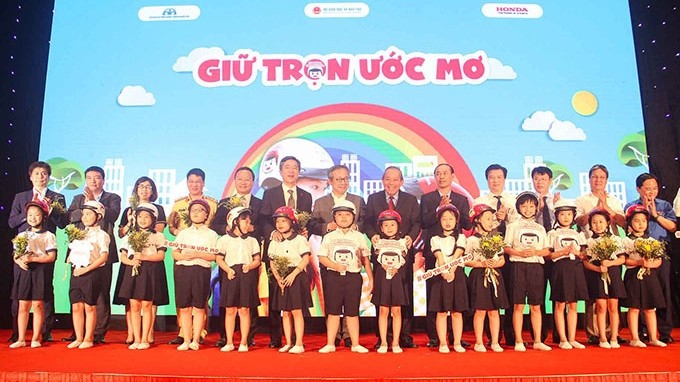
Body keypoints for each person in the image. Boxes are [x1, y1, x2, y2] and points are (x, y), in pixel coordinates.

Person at [8, 161, 68, 343]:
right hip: (23, 252)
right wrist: (31, 211)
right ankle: (18, 333)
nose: (41, 177)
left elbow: (63, 223)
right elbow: (11, 222)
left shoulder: (57, 197)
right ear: (30, 176)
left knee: (45, 292)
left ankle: (44, 331)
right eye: (37, 173)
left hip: (45, 250)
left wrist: (49, 211)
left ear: (48, 177)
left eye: (44, 174)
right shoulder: (21, 197)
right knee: (20, 294)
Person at [308, 164, 366, 347]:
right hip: (330, 259)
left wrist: (357, 227)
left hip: (352, 260)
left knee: (351, 300)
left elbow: (365, 221)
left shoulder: (358, 200)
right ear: (330, 181)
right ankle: (332, 338)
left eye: (346, 178)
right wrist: (327, 227)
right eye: (339, 179)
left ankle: (349, 335)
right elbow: (312, 225)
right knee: (332, 299)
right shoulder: (320, 202)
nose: (343, 182)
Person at [364, 166, 421, 349]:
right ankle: (382, 338)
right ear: (383, 180)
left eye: (395, 180)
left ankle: (403, 336)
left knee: (403, 297)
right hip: (381, 256)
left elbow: (417, 223)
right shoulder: (373, 199)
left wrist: (410, 239)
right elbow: (367, 222)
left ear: (401, 182)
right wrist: (372, 235)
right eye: (388, 179)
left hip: (403, 256)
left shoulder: (411, 200)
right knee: (382, 298)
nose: (391, 183)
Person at [260, 156, 313, 348]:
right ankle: (277, 338)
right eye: (287, 167)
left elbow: (309, 222)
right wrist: (273, 232)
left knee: (296, 298)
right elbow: (263, 219)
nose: (291, 171)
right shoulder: (270, 194)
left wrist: (308, 231)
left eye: (295, 168)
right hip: (276, 248)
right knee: (277, 293)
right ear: (281, 171)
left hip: (297, 252)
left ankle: (297, 340)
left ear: (299, 171)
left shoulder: (306, 196)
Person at [66, 166, 121, 344]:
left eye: (97, 178)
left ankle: (98, 332)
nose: (93, 181)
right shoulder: (77, 198)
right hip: (80, 254)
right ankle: (78, 333)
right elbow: (70, 217)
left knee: (101, 293)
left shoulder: (112, 198)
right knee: (78, 295)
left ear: (103, 180)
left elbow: (112, 216)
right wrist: (85, 207)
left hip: (101, 252)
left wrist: (95, 204)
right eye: (89, 178)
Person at [420, 163, 471, 347]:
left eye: (445, 173)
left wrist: (454, 214)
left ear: (452, 176)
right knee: (435, 297)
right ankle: (435, 337)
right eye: (438, 174)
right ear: (434, 177)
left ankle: (456, 338)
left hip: (456, 252)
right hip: (435, 254)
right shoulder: (427, 198)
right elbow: (423, 223)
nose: (441, 176)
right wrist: (437, 211)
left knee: (456, 296)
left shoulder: (461, 199)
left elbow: (467, 224)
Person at [211, 167, 262, 348]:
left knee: (248, 302)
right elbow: (215, 224)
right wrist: (227, 230)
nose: (243, 182)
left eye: (247, 179)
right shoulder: (224, 203)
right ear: (235, 181)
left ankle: (248, 337)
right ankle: (226, 337)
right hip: (230, 262)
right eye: (240, 179)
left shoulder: (259, 203)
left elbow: (263, 226)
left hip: (249, 259)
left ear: (253, 182)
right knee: (228, 302)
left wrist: (253, 230)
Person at [575, 164, 625, 345]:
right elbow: (578, 221)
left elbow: (623, 222)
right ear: (589, 179)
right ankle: (594, 333)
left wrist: (607, 208)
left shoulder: (614, 199)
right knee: (594, 295)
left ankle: (613, 333)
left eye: (602, 177)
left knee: (613, 297)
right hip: (591, 248)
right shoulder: (582, 200)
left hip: (612, 252)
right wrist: (595, 210)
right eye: (595, 177)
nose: (598, 180)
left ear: (607, 180)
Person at [115, 176, 168, 345]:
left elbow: (157, 231)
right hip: (132, 261)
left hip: (151, 261)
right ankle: (133, 334)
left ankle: (148, 333)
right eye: (141, 186)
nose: (144, 189)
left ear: (153, 190)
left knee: (149, 299)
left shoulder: (158, 208)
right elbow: (121, 234)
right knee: (131, 300)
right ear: (136, 189)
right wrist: (131, 223)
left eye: (148, 187)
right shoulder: (129, 210)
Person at [624, 173, 676, 343]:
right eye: (647, 188)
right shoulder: (631, 206)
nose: (651, 191)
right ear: (639, 189)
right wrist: (644, 211)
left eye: (654, 188)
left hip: (660, 252)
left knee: (662, 292)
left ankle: (664, 331)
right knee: (640, 295)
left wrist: (654, 215)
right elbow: (628, 226)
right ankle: (642, 331)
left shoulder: (665, 205)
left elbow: (673, 227)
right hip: (637, 255)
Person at [167, 168, 217, 346]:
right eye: (191, 181)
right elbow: (171, 225)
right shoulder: (178, 204)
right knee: (183, 299)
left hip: (202, 259)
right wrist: (178, 233)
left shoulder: (212, 204)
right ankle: (183, 332)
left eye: (198, 181)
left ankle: (199, 332)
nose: (194, 184)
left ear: (203, 183)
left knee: (200, 299)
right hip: (183, 257)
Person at [317, 200, 374, 353]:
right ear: (334, 217)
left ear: (353, 217)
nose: (343, 218)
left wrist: (371, 279)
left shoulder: (359, 237)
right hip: (333, 277)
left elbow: (365, 260)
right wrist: (335, 266)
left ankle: (355, 344)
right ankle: (330, 343)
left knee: (352, 311)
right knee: (333, 311)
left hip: (353, 278)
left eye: (347, 215)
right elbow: (322, 257)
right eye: (339, 214)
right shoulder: (328, 237)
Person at [474, 164, 517, 345]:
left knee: (509, 294)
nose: (495, 181)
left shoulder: (513, 200)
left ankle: (511, 335)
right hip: (487, 256)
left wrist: (506, 217)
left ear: (504, 179)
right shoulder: (480, 201)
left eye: (499, 177)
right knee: (488, 297)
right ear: (487, 179)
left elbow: (519, 223)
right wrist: (495, 220)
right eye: (492, 177)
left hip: (511, 252)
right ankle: (492, 337)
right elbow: (476, 226)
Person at [503, 191, 551, 352]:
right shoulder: (512, 226)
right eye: (524, 206)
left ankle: (537, 340)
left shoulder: (540, 228)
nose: (528, 209)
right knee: (518, 305)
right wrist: (519, 253)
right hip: (518, 266)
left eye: (531, 206)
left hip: (536, 268)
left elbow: (546, 251)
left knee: (535, 306)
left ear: (536, 208)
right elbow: (506, 247)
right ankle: (518, 340)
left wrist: (535, 253)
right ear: (518, 207)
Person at [9, 200, 57, 349]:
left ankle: (36, 338)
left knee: (38, 305)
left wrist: (34, 258)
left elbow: (51, 257)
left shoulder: (49, 235)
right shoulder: (22, 235)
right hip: (24, 272)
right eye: (30, 215)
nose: (33, 218)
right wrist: (19, 261)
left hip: (40, 272)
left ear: (43, 216)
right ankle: (21, 338)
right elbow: (16, 254)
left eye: (36, 215)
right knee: (23, 305)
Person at [267, 206, 312, 354]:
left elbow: (306, 258)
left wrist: (294, 274)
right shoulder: (274, 241)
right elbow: (272, 262)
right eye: (277, 221)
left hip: (296, 276)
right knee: (285, 312)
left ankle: (299, 343)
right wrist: (278, 278)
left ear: (292, 222)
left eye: (284, 220)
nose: (280, 224)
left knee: (296, 311)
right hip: (281, 276)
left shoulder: (299, 239)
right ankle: (288, 342)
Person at [215, 207, 261, 353]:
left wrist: (250, 266)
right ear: (234, 222)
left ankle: (243, 342)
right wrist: (228, 270)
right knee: (230, 310)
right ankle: (229, 342)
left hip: (247, 275)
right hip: (231, 275)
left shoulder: (252, 240)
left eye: (249, 220)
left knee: (245, 309)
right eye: (244, 220)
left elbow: (257, 259)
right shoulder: (224, 240)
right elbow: (219, 259)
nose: (248, 223)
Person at [66, 201, 110, 349]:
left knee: (89, 306)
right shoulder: (78, 233)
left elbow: (103, 258)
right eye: (83, 214)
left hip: (91, 273)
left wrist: (86, 269)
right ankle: (78, 338)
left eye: (89, 214)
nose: (84, 217)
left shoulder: (102, 235)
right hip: (76, 272)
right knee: (76, 306)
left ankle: (88, 338)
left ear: (98, 216)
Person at [621, 205, 667, 348]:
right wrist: (639, 262)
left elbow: (659, 260)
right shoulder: (626, 241)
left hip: (649, 276)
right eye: (636, 221)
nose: (640, 224)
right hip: (633, 275)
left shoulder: (652, 241)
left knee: (650, 308)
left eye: (643, 221)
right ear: (630, 223)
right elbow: (624, 260)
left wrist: (649, 264)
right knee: (634, 308)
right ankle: (634, 338)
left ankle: (653, 337)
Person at [546, 199, 588, 350]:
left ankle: (572, 337)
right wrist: (563, 252)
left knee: (573, 304)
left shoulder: (579, 233)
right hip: (560, 268)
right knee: (560, 304)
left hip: (576, 268)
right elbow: (549, 255)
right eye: (562, 214)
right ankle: (562, 338)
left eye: (569, 214)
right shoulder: (552, 233)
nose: (566, 217)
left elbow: (585, 254)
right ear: (557, 216)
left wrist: (578, 253)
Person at [466, 203, 508, 353]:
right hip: (479, 275)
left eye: (492, 219)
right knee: (480, 310)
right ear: (477, 220)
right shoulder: (471, 240)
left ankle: (495, 341)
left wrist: (496, 263)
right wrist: (481, 263)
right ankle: (478, 342)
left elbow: (503, 260)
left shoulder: (496, 238)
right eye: (488, 218)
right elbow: (465, 260)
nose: (491, 222)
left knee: (494, 310)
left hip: (495, 276)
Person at [582, 209, 626, 349]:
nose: (598, 225)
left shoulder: (615, 239)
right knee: (601, 307)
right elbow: (586, 262)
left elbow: (622, 259)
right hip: (597, 275)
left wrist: (610, 263)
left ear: (607, 223)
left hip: (613, 274)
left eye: (601, 222)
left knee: (613, 307)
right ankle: (601, 337)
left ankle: (613, 337)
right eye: (594, 222)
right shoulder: (589, 241)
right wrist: (598, 268)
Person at [428, 204, 468, 354]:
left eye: (451, 218)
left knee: (457, 311)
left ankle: (457, 342)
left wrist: (451, 270)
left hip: (456, 275)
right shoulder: (435, 239)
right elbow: (439, 256)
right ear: (439, 221)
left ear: (456, 220)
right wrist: (444, 271)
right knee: (442, 311)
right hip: (441, 275)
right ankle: (443, 343)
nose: (447, 222)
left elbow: (458, 254)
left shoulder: (462, 237)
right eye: (444, 218)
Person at [371, 209, 409, 354]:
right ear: (380, 227)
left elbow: (405, 261)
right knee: (383, 310)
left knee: (397, 310)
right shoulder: (377, 242)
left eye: (392, 225)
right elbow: (375, 259)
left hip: (397, 278)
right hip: (382, 277)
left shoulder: (403, 242)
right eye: (385, 225)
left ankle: (396, 342)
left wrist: (397, 268)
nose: (389, 228)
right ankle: (384, 342)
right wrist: (384, 266)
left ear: (398, 226)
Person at [531, 166, 558, 343]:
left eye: (543, 179)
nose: (540, 182)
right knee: (537, 295)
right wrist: (537, 210)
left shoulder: (558, 201)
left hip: (556, 253)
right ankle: (538, 336)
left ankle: (559, 334)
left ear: (550, 181)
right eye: (536, 179)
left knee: (558, 295)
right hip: (537, 254)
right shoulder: (527, 201)